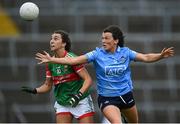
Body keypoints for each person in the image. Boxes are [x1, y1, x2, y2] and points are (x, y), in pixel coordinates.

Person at [35, 25, 174, 123]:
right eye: (102, 38)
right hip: (107, 99)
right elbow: (74, 60)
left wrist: (160, 56)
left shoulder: (125, 52)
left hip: (126, 95)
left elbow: (146, 57)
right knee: (117, 122)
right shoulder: (97, 54)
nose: (103, 41)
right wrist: (51, 59)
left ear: (116, 40)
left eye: (107, 38)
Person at [21, 30, 95, 123]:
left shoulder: (72, 59)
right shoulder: (50, 63)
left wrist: (78, 96)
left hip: (80, 101)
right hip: (62, 103)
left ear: (64, 43)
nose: (51, 41)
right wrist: (35, 90)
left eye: (55, 39)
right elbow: (47, 86)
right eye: (51, 39)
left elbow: (88, 79)